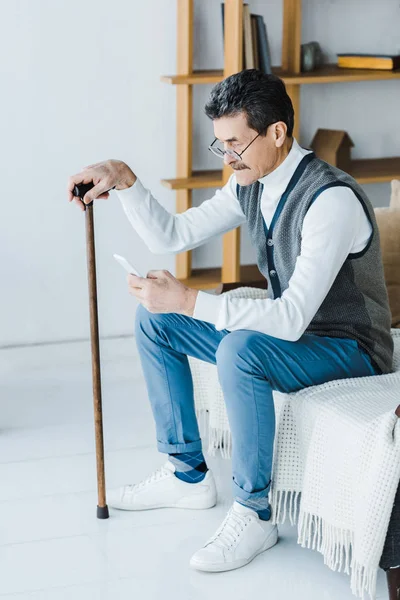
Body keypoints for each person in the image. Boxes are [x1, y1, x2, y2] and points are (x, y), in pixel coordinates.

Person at [67, 69, 393, 574]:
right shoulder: (251, 180)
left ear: (278, 133)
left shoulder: (329, 200)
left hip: (348, 346)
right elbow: (174, 235)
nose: (227, 157)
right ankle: (188, 476)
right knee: (157, 320)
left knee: (240, 349)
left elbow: (287, 318)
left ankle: (255, 512)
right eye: (220, 145)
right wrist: (125, 180)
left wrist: (192, 299)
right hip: (297, 335)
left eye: (234, 143)